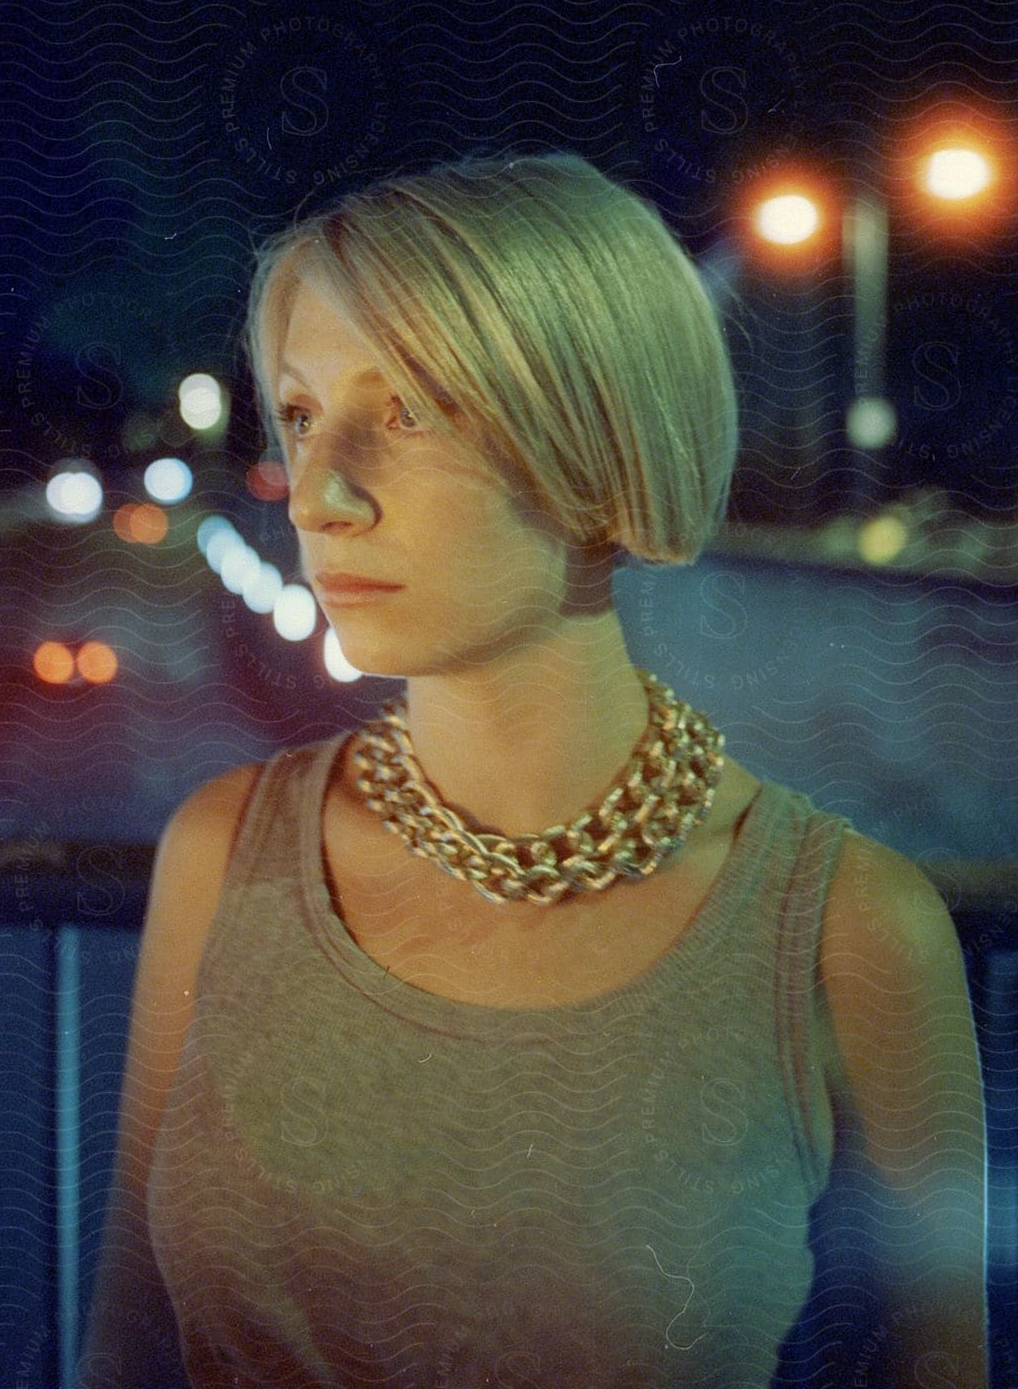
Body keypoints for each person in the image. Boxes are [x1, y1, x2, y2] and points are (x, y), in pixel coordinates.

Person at [77, 149, 988, 1387]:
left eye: (410, 409)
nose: (319, 492)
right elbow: (123, 1350)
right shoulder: (223, 852)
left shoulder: (849, 932)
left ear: (603, 454)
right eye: (301, 414)